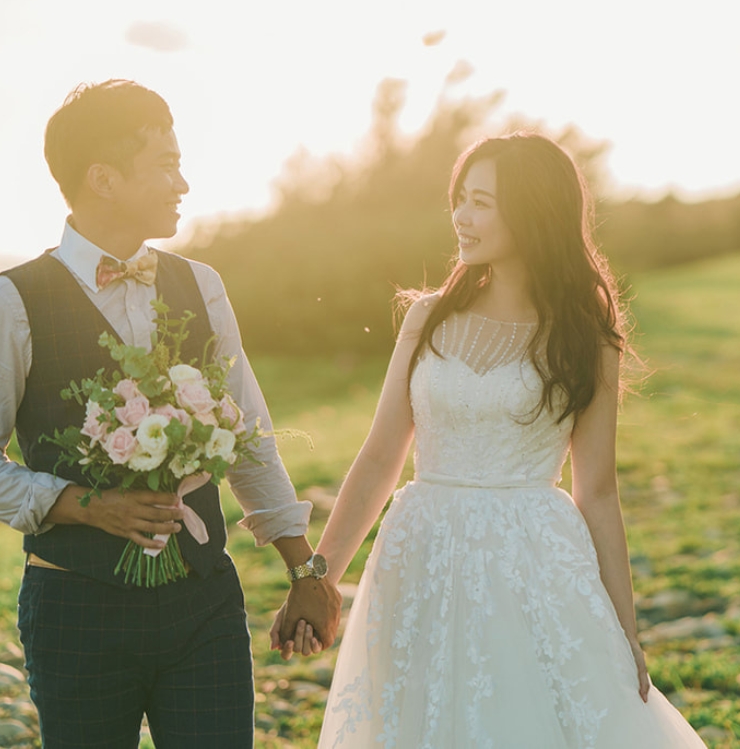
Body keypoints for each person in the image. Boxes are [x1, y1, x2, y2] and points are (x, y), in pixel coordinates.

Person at [273, 133, 705, 747]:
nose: (461, 216)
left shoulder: (585, 334)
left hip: (531, 564)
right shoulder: (428, 317)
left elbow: (599, 491)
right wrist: (318, 577)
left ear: (532, 213)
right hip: (418, 555)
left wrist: (624, 631)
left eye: (481, 202)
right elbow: (379, 458)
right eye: (460, 198)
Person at [0, 79, 342, 748]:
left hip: (204, 601)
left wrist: (302, 567)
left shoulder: (202, 283)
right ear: (103, 179)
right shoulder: (6, 304)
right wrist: (78, 503)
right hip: (74, 606)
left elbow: (248, 433)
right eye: (165, 165)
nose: (183, 184)